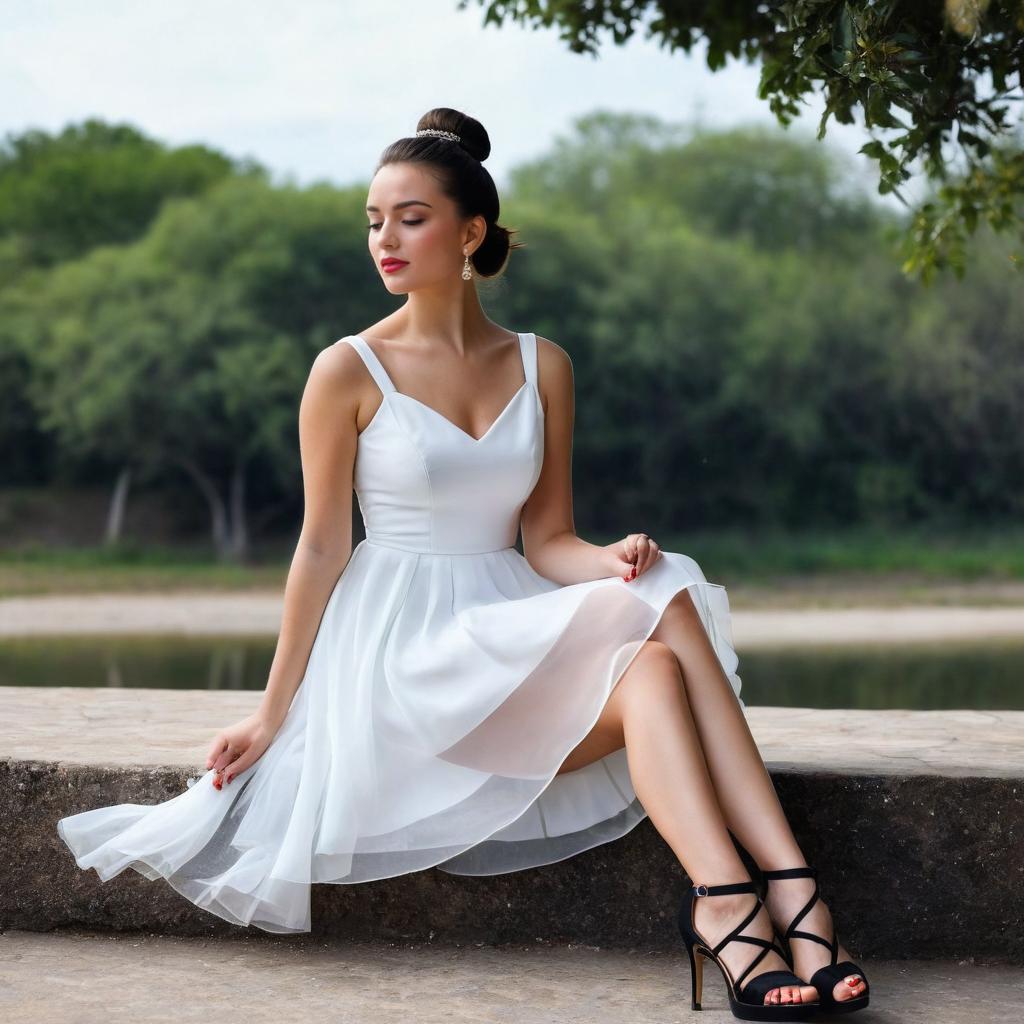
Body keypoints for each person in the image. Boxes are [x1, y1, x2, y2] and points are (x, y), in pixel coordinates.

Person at [57, 107, 868, 1020]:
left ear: (469, 232)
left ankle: (731, 898)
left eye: (410, 217)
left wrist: (608, 560)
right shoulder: (347, 369)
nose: (385, 240)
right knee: (666, 616)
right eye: (374, 219)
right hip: (405, 659)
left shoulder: (542, 364)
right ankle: (794, 900)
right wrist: (271, 712)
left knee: (661, 606)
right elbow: (323, 545)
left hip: (506, 626)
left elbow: (547, 541)